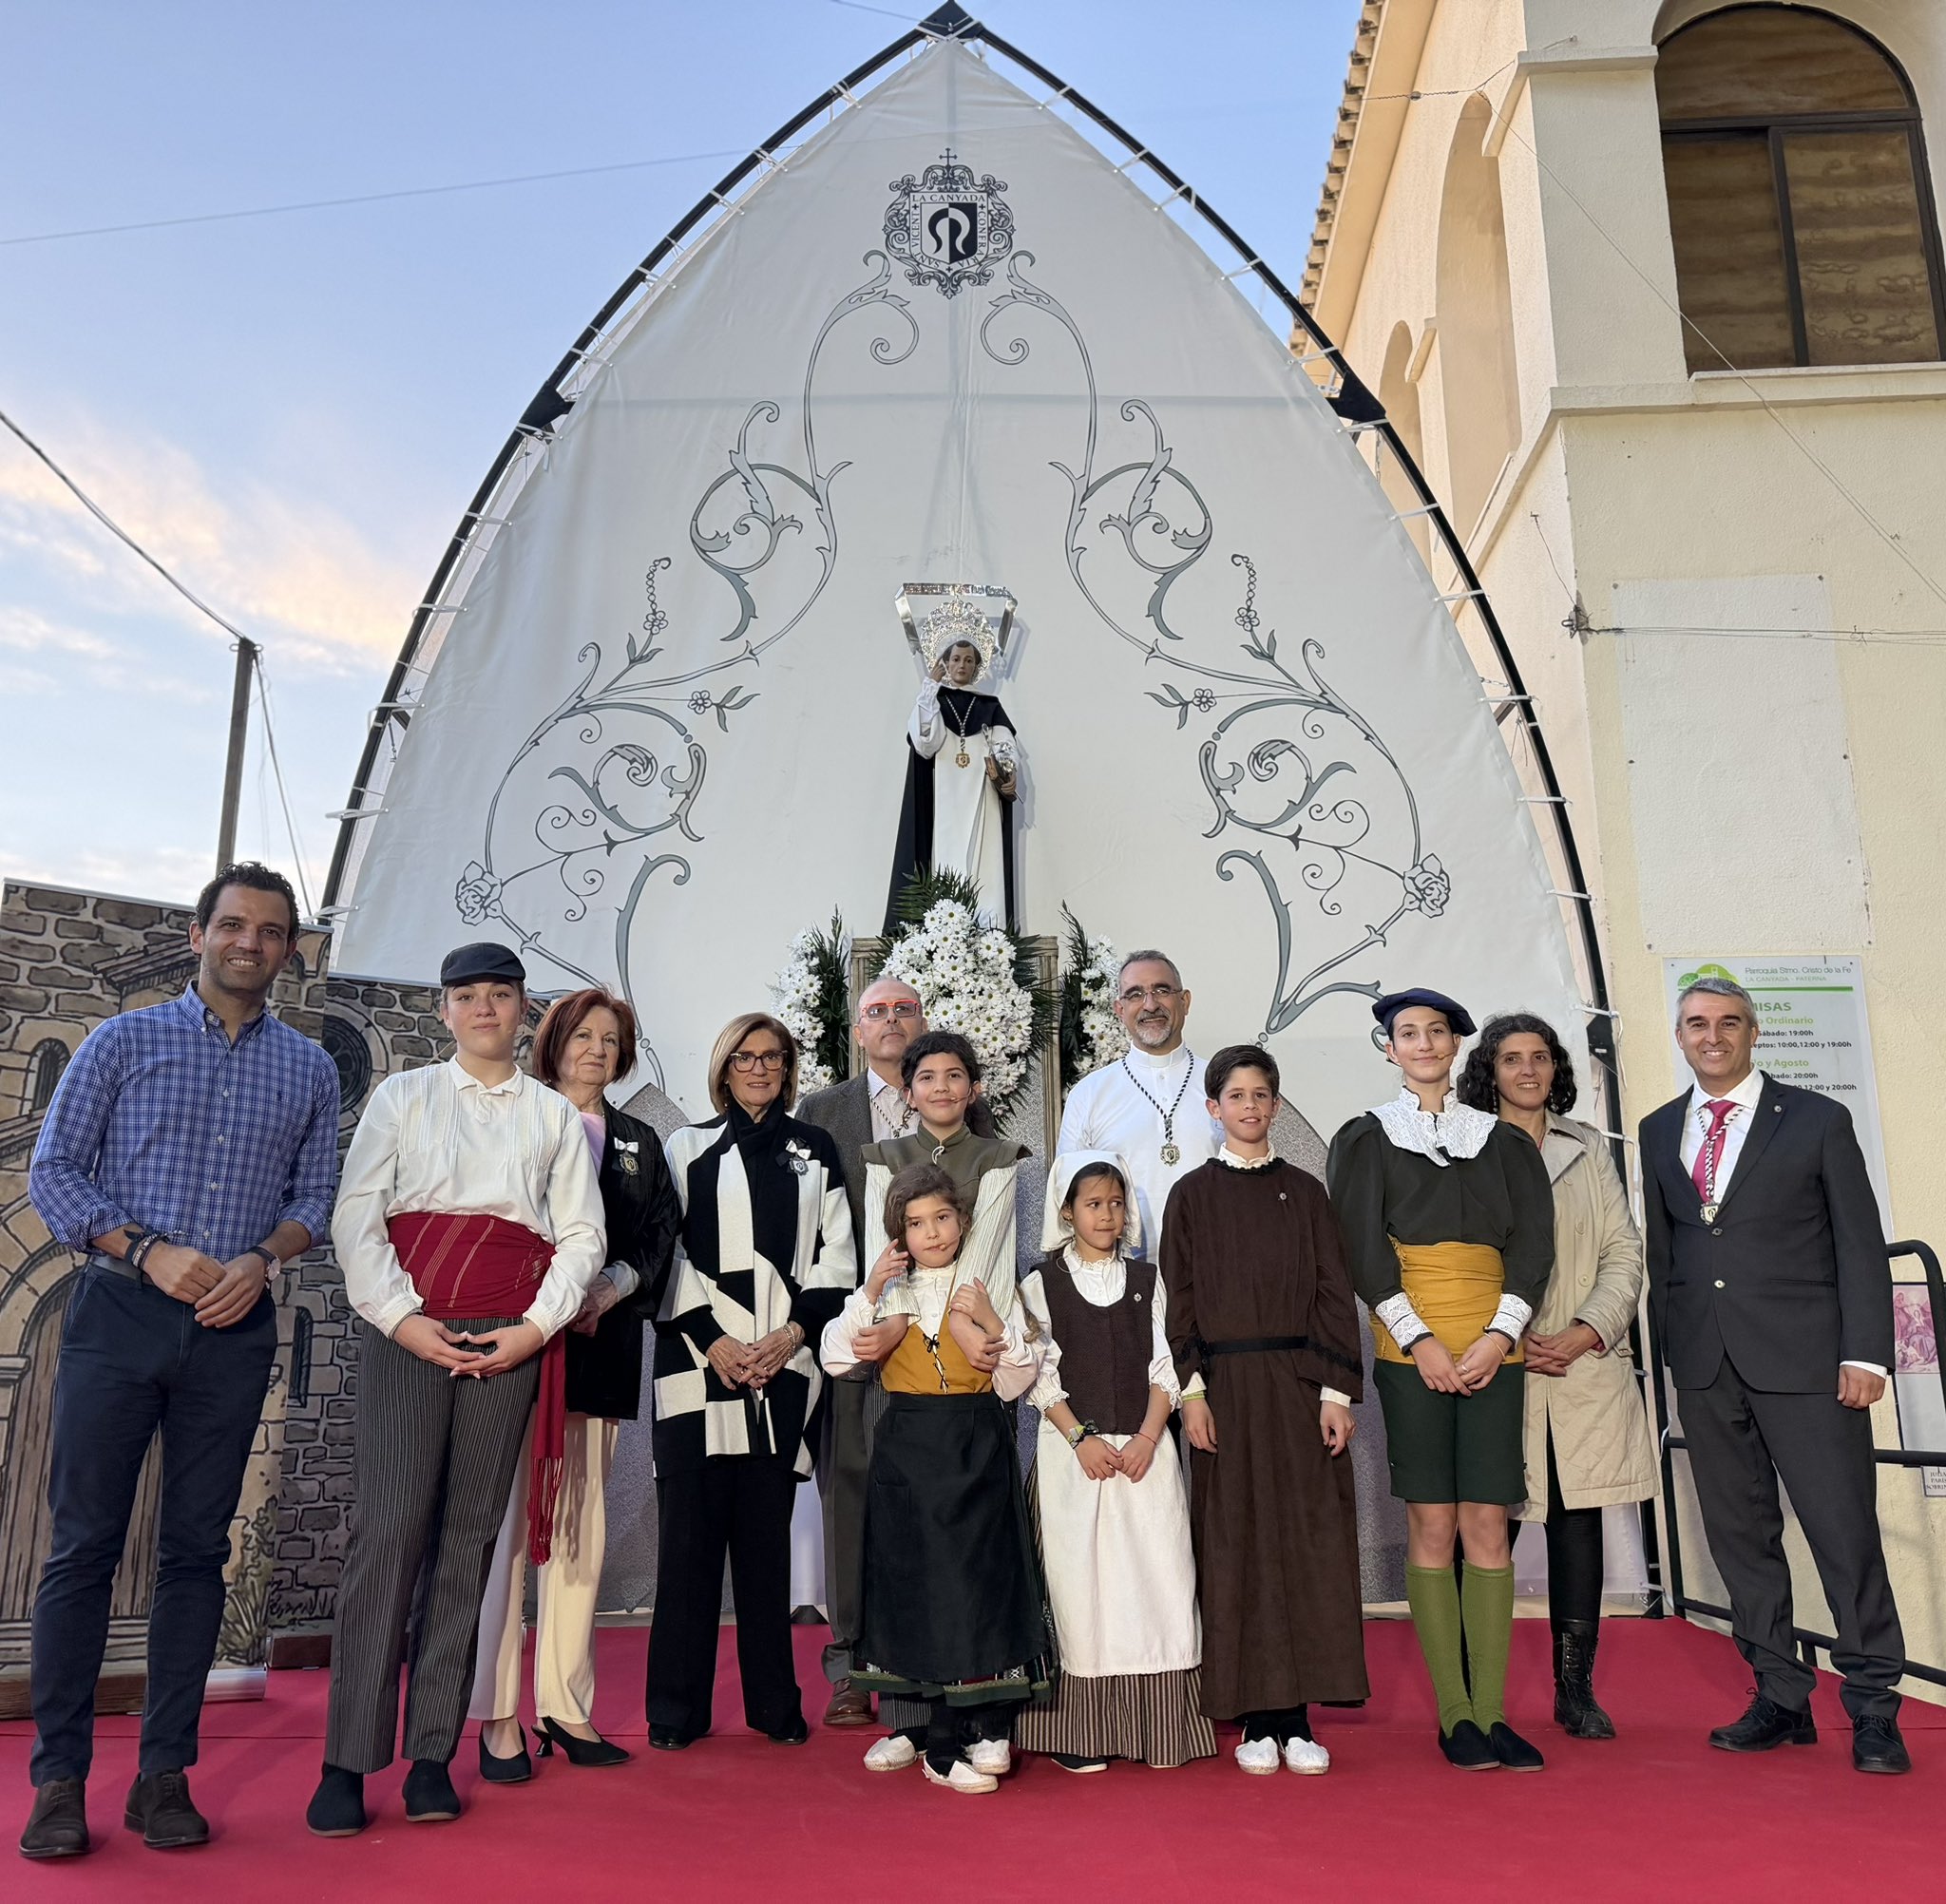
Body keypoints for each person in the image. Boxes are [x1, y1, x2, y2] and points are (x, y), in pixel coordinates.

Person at [21, 863, 339, 1861]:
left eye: (271, 931)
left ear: (289, 950)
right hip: (119, 1313)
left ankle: (163, 1775)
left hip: (233, 1330)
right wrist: (145, 1249)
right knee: (83, 1548)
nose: (251, 943)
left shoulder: (309, 1070)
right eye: (234, 925)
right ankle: (59, 1781)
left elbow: (316, 1198)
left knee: (197, 1555)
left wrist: (263, 1259)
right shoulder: (122, 1041)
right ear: (200, 935)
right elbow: (52, 1170)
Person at [307, 942, 606, 1837]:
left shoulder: (553, 1116)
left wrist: (534, 1329)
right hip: (410, 1327)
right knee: (389, 1531)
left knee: (470, 1538)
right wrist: (402, 1319)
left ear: (523, 1009)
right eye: (466, 995)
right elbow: (356, 1216)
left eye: (500, 995)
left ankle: (432, 1753)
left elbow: (582, 1236)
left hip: (510, 1336)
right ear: (445, 1011)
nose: (483, 1008)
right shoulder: (402, 1098)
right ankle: (346, 1761)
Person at [1640, 976, 1908, 1774]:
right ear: (1680, 1036)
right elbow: (1666, 1252)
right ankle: (1781, 1694)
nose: (1712, 1035)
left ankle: (1873, 1706)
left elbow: (1859, 1242)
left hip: (1810, 1362)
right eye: (1696, 1023)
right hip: (1705, 1363)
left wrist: (1866, 1353)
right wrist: (1672, 1356)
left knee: (1842, 1532)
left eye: (1728, 1022)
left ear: (1753, 1033)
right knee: (1739, 1538)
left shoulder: (1818, 1119)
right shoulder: (1659, 1129)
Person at [1327, 989, 1554, 1773]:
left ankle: (1492, 1713)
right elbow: (1361, 1250)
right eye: (1408, 1034)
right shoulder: (1364, 1138)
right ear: (1389, 1048)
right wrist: (1418, 1339)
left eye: (1436, 1033)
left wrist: (1500, 1335)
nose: (1423, 1044)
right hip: (1409, 1353)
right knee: (1432, 1524)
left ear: (1457, 1046)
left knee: (1488, 1524)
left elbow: (1533, 1249)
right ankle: (1454, 1714)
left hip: (1496, 1350)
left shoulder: (1505, 1143)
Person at [469, 988, 680, 1778]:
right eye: (583, 1034)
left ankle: (565, 1704)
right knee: (506, 1535)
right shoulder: (511, 1114)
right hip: (512, 1349)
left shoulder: (637, 1142)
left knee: (578, 1534)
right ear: (554, 1040)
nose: (596, 1048)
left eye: (610, 1039)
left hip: (599, 1346)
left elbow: (658, 1236)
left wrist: (609, 1288)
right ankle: (497, 1714)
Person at [645, 1013, 856, 1750]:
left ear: (788, 1069)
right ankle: (675, 1712)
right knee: (688, 1550)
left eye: (772, 1057)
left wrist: (791, 1335)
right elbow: (663, 1253)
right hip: (695, 1367)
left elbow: (839, 1259)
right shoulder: (687, 1147)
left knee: (765, 1551)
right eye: (745, 1057)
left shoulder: (815, 1150)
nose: (759, 1068)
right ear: (723, 1068)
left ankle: (773, 1705)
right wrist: (714, 1339)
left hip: (781, 1370)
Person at [795, 977, 998, 1728]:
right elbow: (809, 1229)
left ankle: (949, 1653)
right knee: (850, 1495)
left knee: (939, 1500)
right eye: (876, 1011)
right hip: (861, 1332)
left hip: (949, 1343)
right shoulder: (822, 1112)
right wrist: (847, 1320)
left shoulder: (966, 1111)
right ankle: (852, 1662)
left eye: (904, 1009)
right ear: (858, 1030)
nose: (890, 1020)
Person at [1162, 1046, 1366, 1775]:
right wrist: (1191, 1393)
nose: (1249, 1106)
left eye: (1260, 1095)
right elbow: (1178, 1300)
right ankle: (1253, 1716)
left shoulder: (1306, 1193)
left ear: (1276, 1106)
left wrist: (1335, 1393)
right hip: (1224, 1393)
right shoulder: (1190, 1196)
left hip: (1300, 1388)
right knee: (1235, 1544)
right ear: (1212, 1108)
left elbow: (1333, 1291)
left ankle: (1298, 1716)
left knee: (1308, 1542)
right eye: (1236, 1096)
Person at [1456, 1013, 1655, 1740]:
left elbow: (1623, 1252)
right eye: (1512, 1058)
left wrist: (1585, 1331)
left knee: (1578, 1516)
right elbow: (1454, 1259)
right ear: (1490, 1071)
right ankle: (1470, 1692)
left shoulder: (1587, 1147)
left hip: (1581, 1366)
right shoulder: (1464, 1147)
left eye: (1539, 1057)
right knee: (1486, 1518)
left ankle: (1576, 1691)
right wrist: (1502, 1336)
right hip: (1493, 1361)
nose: (1528, 1070)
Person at [820, 1163, 1046, 1793]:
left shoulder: (984, 1288)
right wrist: (871, 1292)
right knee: (915, 1585)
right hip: (910, 1450)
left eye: (942, 1218)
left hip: (976, 1443)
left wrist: (990, 1323)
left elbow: (1017, 1380)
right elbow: (836, 1357)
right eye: (917, 1224)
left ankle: (977, 1726)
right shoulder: (893, 1296)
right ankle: (924, 1729)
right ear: (901, 1234)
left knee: (976, 1584)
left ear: (963, 1222)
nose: (933, 1233)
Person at [854, 1027, 1028, 1779]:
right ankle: (912, 1719)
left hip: (974, 1349)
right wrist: (895, 1315)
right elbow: (884, 1250)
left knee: (974, 1554)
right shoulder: (882, 1158)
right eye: (928, 1077)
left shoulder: (997, 1158)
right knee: (907, 1553)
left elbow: (983, 1255)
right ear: (908, 1090)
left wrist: (966, 1321)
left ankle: (979, 1715)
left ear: (974, 1088)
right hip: (907, 1363)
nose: (942, 1089)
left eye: (956, 1076)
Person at [1014, 1153, 1215, 1773]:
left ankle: (1162, 1730)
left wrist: (1151, 1438)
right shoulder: (1041, 1285)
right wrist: (1081, 1438)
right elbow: (1038, 1375)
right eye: (1093, 1203)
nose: (1107, 1215)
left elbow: (1166, 1364)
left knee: (1158, 1583)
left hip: (1143, 1457)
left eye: (1116, 1203)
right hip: (1076, 1460)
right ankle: (1078, 1732)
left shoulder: (1149, 1281)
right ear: (1067, 1211)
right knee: (1082, 1592)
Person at [1058, 950, 1220, 1251]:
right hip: (1122, 1271)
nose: (1150, 1004)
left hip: (1213, 1265)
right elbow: (1070, 1194)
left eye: (1162, 990)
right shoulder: (1090, 1093)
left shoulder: (1222, 1085)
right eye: (1135, 994)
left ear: (1184, 1001)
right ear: (1119, 1010)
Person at [885, 634, 1021, 930]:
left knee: (985, 860)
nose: (962, 665)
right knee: (943, 858)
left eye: (969, 660)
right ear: (945, 663)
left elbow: (1005, 746)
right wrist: (929, 689)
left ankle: (989, 929)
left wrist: (1008, 771)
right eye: (956, 659)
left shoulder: (989, 706)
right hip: (942, 798)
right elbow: (925, 743)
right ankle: (943, 928)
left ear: (976, 667)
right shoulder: (934, 702)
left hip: (982, 795)